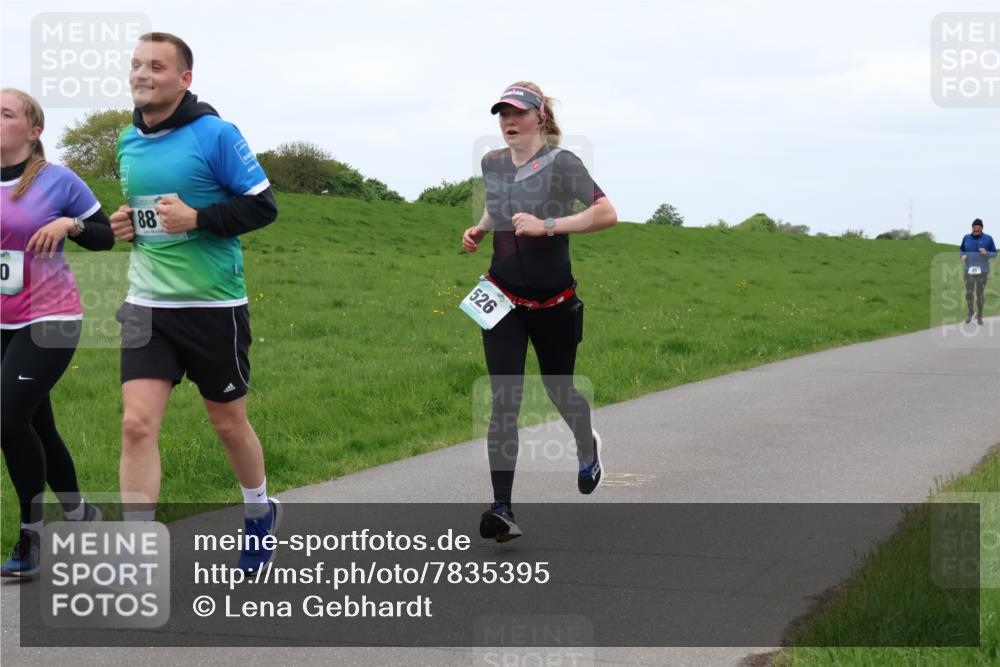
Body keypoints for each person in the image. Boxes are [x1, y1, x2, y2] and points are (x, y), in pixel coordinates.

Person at [109, 33, 280, 572]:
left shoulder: (216, 134)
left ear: (184, 79)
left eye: (156, 67)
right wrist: (127, 224)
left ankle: (259, 510)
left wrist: (199, 218)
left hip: (213, 307)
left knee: (227, 423)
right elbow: (149, 214)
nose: (142, 74)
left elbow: (263, 207)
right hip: (146, 305)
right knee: (136, 425)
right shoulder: (126, 141)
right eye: (136, 65)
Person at [461, 82, 617, 542]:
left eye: (518, 113)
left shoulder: (562, 164)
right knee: (504, 399)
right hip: (502, 297)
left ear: (540, 117)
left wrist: (548, 225)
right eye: (503, 114)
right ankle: (502, 509)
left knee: (558, 387)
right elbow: (499, 207)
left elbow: (606, 213)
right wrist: (481, 228)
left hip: (554, 303)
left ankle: (587, 445)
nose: (509, 122)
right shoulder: (492, 162)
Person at [1, 88, 114, 577]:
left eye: (5, 113)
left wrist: (71, 224)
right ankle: (80, 512)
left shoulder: (57, 179)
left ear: (34, 131)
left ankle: (32, 538)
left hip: (50, 319)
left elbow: (105, 237)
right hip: (3, 322)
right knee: (36, 426)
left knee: (7, 421)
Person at [959, 218, 995, 325]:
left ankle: (980, 315)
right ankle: (971, 312)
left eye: (978, 227)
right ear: (972, 228)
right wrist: (962, 255)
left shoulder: (988, 238)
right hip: (968, 270)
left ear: (982, 228)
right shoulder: (966, 238)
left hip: (982, 271)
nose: (976, 229)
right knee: (969, 293)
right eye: (974, 227)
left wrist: (986, 253)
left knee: (979, 293)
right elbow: (962, 249)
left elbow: (994, 253)